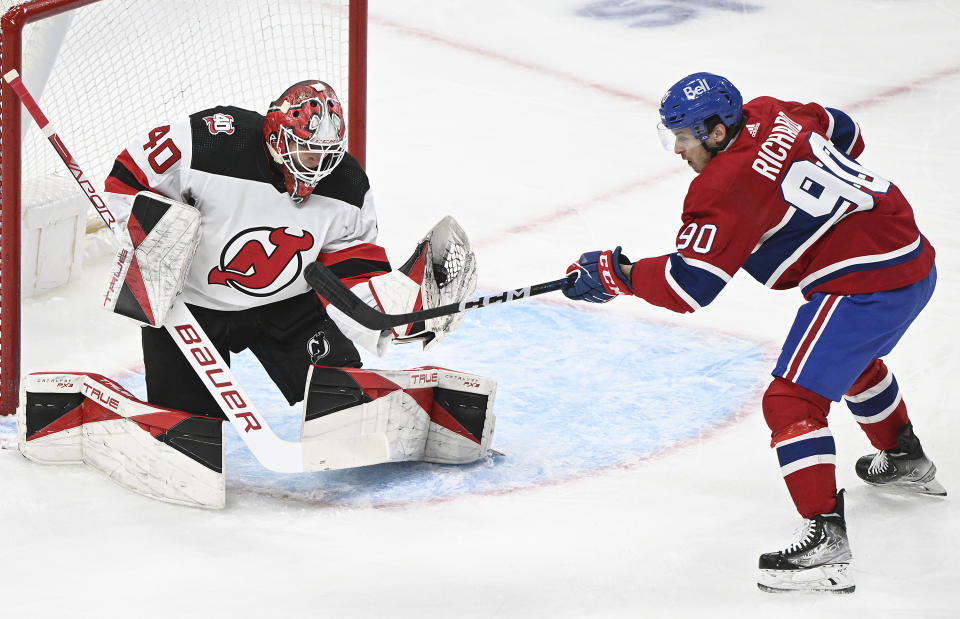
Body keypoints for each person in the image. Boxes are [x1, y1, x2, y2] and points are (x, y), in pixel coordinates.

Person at [561, 72, 944, 594]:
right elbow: (847, 132)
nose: (676, 148)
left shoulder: (721, 188)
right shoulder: (770, 110)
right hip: (913, 258)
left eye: (685, 136)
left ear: (718, 132)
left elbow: (688, 286)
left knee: (791, 402)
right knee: (845, 362)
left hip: (867, 283)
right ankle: (904, 458)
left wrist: (618, 274)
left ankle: (826, 545)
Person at [102, 80, 495, 467]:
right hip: (190, 306)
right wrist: (149, 236)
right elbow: (125, 178)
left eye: (327, 153)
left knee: (342, 396)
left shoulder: (348, 187)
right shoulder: (211, 142)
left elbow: (352, 277)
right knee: (189, 438)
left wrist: (409, 312)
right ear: (277, 134)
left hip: (286, 307)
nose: (318, 164)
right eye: (307, 150)